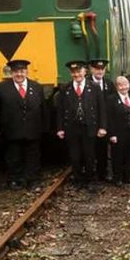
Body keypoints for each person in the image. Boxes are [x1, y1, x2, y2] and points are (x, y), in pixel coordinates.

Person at [0, 58, 48, 189]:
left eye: (22, 71)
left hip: (33, 129)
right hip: (11, 129)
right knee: (13, 156)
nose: (19, 74)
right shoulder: (1, 88)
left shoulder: (36, 87)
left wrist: (44, 128)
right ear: (12, 73)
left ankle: (32, 180)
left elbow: (43, 109)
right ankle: (15, 179)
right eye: (16, 71)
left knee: (33, 156)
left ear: (27, 72)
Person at [55, 60, 106, 191]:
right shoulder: (65, 88)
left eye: (79, 71)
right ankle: (78, 180)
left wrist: (102, 126)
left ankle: (91, 180)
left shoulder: (94, 87)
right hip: (71, 128)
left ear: (85, 72)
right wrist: (60, 128)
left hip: (89, 127)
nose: (76, 74)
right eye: (73, 72)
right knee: (74, 156)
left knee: (89, 155)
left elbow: (101, 108)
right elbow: (60, 110)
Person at [106, 75, 130, 185]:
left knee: (129, 155)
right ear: (116, 87)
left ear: (129, 85)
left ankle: (127, 177)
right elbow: (109, 118)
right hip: (118, 133)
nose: (123, 87)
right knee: (117, 156)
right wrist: (112, 134)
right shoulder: (111, 99)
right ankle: (117, 178)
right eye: (120, 85)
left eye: (125, 84)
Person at [87, 59, 114, 182]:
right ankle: (90, 173)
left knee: (103, 149)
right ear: (91, 69)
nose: (99, 71)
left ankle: (102, 173)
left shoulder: (109, 83)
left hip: (105, 121)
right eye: (97, 69)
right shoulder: (86, 83)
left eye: (102, 69)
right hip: (91, 122)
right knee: (90, 149)